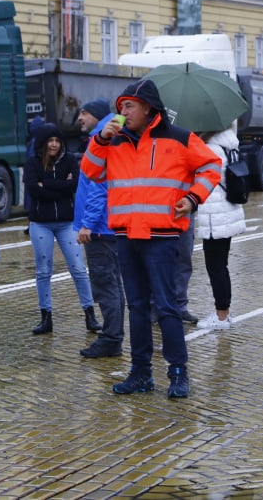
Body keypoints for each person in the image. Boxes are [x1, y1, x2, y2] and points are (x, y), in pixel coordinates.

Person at [81, 79, 221, 398]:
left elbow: (212, 166)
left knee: (167, 307)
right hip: (127, 236)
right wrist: (101, 139)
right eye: (121, 107)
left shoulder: (179, 138)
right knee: (138, 308)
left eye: (129, 105)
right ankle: (141, 374)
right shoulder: (112, 140)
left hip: (162, 236)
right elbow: (90, 171)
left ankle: (177, 373)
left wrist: (194, 198)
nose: (123, 112)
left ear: (147, 107)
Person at [24, 122, 100, 335]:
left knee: (78, 268)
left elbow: (73, 186)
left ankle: (90, 315)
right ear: (43, 142)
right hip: (41, 224)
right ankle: (45, 317)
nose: (54, 144)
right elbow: (33, 190)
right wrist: (58, 186)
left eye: (57, 140)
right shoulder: (32, 163)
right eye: (50, 140)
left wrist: (45, 184)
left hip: (67, 222)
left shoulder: (69, 161)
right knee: (43, 271)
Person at [74, 100, 126, 358]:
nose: (79, 118)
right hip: (109, 226)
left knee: (106, 285)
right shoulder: (109, 134)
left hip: (101, 228)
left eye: (83, 113)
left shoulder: (103, 139)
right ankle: (113, 336)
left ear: (95, 115)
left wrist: (88, 224)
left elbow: (98, 186)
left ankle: (111, 339)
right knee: (113, 284)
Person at [195, 127, 247, 329]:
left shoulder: (210, 148)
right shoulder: (230, 144)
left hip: (215, 214)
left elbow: (203, 176)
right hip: (227, 210)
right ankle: (224, 313)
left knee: (215, 267)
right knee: (221, 266)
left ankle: (221, 316)